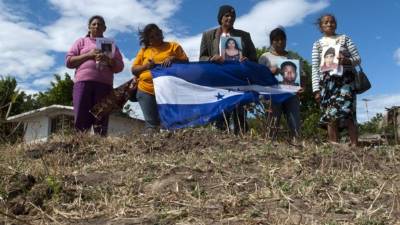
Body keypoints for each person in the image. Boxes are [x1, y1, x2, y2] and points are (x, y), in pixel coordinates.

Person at [199, 4, 257, 135]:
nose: (230, 18)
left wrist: (246, 60)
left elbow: (254, 58)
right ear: (220, 18)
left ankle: (241, 138)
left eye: (232, 16)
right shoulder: (208, 36)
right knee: (221, 113)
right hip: (219, 79)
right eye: (227, 15)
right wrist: (211, 58)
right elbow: (201, 58)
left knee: (240, 112)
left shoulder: (244, 36)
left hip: (238, 79)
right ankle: (221, 140)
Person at [66, 15, 124, 136]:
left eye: (100, 24)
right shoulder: (81, 42)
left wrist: (108, 60)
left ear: (105, 28)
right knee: (81, 115)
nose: (97, 26)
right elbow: (69, 62)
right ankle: (80, 144)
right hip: (83, 83)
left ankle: (99, 146)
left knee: (101, 117)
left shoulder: (109, 44)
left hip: (104, 85)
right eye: (94, 24)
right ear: (89, 27)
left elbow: (120, 67)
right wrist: (89, 55)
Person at [311, 14, 361, 146]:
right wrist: (316, 89)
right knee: (330, 113)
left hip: (346, 81)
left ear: (336, 24)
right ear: (321, 26)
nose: (329, 24)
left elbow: (357, 58)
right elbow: (315, 67)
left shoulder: (345, 39)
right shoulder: (317, 44)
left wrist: (347, 60)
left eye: (332, 22)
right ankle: (334, 146)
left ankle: (355, 145)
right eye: (326, 22)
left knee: (348, 111)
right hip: (327, 84)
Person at [131, 24, 188, 133]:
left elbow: (186, 63)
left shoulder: (173, 46)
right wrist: (146, 66)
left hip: (169, 91)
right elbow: (134, 70)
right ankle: (152, 147)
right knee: (151, 125)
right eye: (152, 37)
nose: (156, 37)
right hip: (146, 90)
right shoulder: (144, 51)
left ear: (161, 33)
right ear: (147, 39)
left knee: (172, 123)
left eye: (157, 34)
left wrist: (174, 59)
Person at [258, 27, 302, 139]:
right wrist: (270, 72)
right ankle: (269, 146)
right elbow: (259, 77)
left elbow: (302, 75)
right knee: (272, 122)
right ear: (271, 41)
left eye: (282, 39)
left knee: (294, 122)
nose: (280, 42)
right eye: (276, 40)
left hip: (291, 95)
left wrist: (302, 87)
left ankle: (297, 145)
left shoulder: (293, 56)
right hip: (273, 95)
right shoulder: (264, 57)